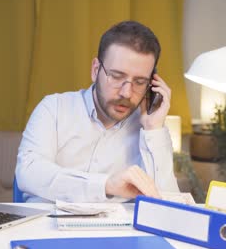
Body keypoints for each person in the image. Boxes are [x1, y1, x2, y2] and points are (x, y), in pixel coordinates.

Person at [16, 20, 179, 203]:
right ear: (95, 70)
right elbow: (28, 173)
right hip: (48, 226)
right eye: (117, 76)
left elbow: (167, 203)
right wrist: (106, 185)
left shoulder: (149, 128)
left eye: (140, 82)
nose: (127, 92)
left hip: (117, 230)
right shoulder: (53, 108)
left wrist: (154, 129)